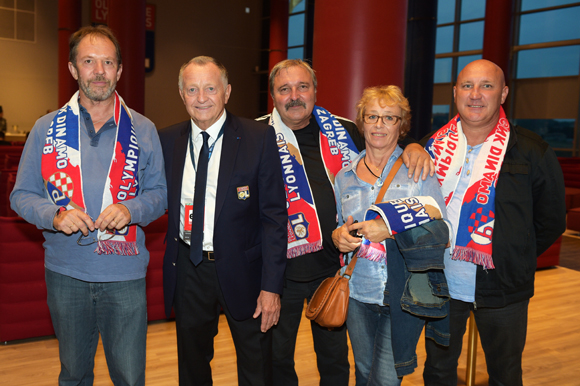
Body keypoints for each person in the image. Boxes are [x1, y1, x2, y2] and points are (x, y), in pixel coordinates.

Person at [256, 59, 435, 386]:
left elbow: (383, 139)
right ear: (272, 96)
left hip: (335, 270)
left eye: (303, 86)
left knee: (336, 363)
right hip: (278, 273)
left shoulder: (343, 129)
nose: (295, 95)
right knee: (277, 362)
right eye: (285, 89)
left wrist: (415, 147)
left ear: (315, 90)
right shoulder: (256, 136)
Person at [10, 25, 166, 385]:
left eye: (108, 62)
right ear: (72, 68)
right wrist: (54, 215)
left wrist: (132, 210)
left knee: (129, 377)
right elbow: (21, 195)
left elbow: (159, 194)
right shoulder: (45, 128)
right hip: (66, 274)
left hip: (124, 276)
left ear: (120, 71)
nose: (99, 71)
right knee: (74, 375)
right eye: (89, 61)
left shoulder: (143, 129)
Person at [421, 59, 566, 386]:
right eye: (468, 86)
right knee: (438, 371)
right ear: (455, 92)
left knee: (505, 374)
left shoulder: (531, 150)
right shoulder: (431, 147)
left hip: (504, 287)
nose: (476, 94)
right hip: (441, 285)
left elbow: (552, 219)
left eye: (486, 86)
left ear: (503, 94)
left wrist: (513, 251)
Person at [159, 56, 287, 386]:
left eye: (210, 88)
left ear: (227, 92)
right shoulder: (167, 140)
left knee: (256, 366)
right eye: (192, 89)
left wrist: (271, 286)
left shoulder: (259, 138)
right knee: (192, 365)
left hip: (245, 271)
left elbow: (274, 217)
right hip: (189, 267)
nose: (201, 97)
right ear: (181, 94)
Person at [332, 86, 450, 385]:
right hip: (357, 291)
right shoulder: (344, 176)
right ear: (361, 122)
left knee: (384, 379)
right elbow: (339, 223)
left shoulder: (419, 170)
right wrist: (339, 237)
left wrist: (390, 230)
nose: (380, 125)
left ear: (402, 124)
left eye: (389, 118)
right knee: (362, 372)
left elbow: (443, 230)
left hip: (402, 293)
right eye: (372, 116)